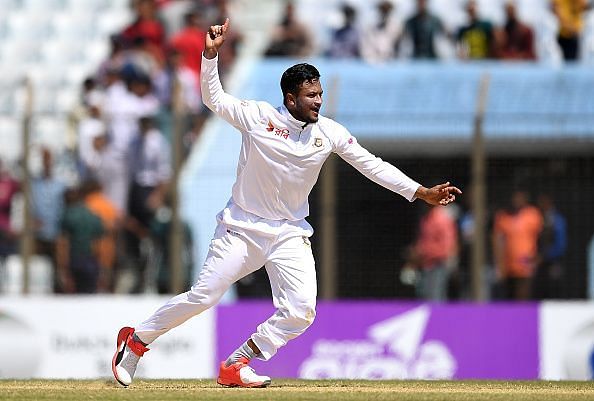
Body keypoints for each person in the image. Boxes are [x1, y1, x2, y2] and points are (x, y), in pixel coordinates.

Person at [111, 18, 461, 389]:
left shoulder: (328, 133)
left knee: (302, 311)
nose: (319, 102)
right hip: (242, 228)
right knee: (204, 296)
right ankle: (134, 342)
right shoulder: (258, 117)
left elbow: (371, 165)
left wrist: (419, 191)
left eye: (321, 94)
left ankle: (237, 362)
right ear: (290, 99)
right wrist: (210, 55)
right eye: (311, 96)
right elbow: (213, 99)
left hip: (289, 233)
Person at [493, 190, 543, 300]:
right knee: (509, 296)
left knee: (524, 294)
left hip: (526, 263)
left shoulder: (532, 215)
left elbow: (541, 237)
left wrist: (538, 257)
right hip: (508, 265)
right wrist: (499, 263)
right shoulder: (503, 216)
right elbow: (498, 240)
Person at [413, 205, 458, 301]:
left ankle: (437, 315)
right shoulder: (426, 217)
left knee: (436, 295)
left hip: (438, 263)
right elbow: (423, 238)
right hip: (425, 262)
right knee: (424, 293)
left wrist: (427, 250)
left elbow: (447, 245)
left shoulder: (442, 219)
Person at [533, 193, 567, 299]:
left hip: (553, 263)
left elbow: (560, 245)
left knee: (553, 291)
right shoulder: (537, 219)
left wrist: (544, 256)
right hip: (539, 264)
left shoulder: (557, 220)